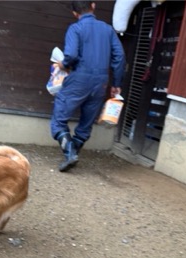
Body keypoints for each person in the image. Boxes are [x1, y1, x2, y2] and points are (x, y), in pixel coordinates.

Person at [50, 1, 126, 172]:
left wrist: (63, 64)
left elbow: (71, 55)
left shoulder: (75, 29)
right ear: (93, 5)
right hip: (101, 82)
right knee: (87, 121)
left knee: (59, 119)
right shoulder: (108, 30)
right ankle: (74, 151)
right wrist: (116, 83)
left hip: (79, 78)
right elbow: (120, 56)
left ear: (74, 13)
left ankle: (70, 153)